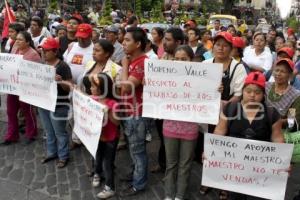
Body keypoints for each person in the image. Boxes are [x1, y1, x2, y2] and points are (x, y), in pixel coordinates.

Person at [206, 71, 284, 199]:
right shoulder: (230, 108)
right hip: (235, 166)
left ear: (263, 94)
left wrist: (283, 161)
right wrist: (210, 151)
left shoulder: (272, 113)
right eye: (248, 91)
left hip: (260, 168)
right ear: (243, 91)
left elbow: (277, 137)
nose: (252, 95)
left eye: (257, 92)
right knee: (235, 196)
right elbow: (220, 131)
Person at [163, 45, 199, 200]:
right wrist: (149, 83)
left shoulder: (201, 79)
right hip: (170, 126)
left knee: (185, 164)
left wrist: (216, 90)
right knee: (171, 164)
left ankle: (179, 195)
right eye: (176, 59)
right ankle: (168, 194)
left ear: (191, 60)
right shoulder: (165, 78)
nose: (179, 62)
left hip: (190, 128)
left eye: (183, 59)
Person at [119, 27, 148, 197]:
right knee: (134, 148)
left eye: (127, 40)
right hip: (129, 111)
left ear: (138, 44)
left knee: (138, 150)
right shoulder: (133, 61)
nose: (123, 43)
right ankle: (136, 174)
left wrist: (124, 65)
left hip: (137, 114)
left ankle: (139, 183)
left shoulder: (141, 63)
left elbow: (125, 86)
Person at [1, 31, 41, 145]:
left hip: (25, 88)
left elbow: (35, 73)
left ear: (28, 42)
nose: (17, 41)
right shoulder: (15, 49)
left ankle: (31, 133)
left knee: (27, 111)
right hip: (12, 87)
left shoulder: (33, 54)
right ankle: (12, 135)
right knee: (10, 111)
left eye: (20, 40)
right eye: (16, 39)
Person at [38, 38, 72, 168]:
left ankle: (63, 156)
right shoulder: (43, 65)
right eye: (42, 50)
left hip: (59, 105)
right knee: (48, 131)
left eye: (46, 51)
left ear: (55, 51)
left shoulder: (63, 66)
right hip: (44, 103)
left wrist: (60, 81)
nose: (43, 53)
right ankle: (51, 152)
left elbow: (69, 87)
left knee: (60, 132)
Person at [89, 73, 120, 199]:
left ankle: (110, 187)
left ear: (102, 88)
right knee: (97, 157)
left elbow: (117, 122)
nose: (90, 88)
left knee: (108, 163)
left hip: (110, 138)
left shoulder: (113, 104)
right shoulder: (92, 99)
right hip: (97, 137)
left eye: (93, 86)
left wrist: (110, 112)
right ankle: (97, 173)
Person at [204, 32, 247, 104]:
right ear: (213, 47)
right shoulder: (205, 64)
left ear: (231, 49)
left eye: (225, 46)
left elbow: (238, 95)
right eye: (217, 45)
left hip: (229, 109)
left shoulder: (238, 68)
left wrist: (223, 105)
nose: (220, 48)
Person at [266, 58, 300, 128]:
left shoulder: (295, 95)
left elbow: (291, 121)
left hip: (280, 129)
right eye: (277, 70)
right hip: (260, 125)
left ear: (290, 75)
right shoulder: (266, 86)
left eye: (283, 72)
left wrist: (275, 122)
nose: (278, 74)